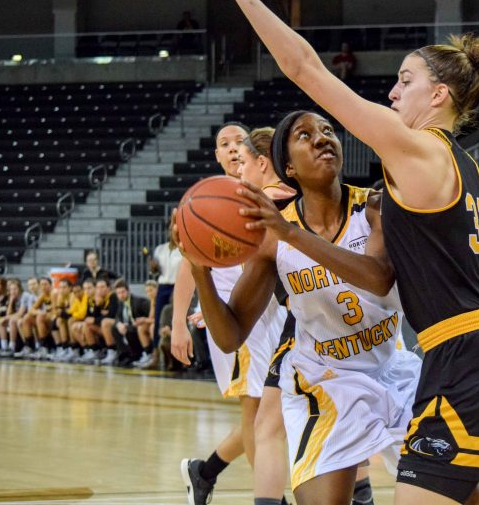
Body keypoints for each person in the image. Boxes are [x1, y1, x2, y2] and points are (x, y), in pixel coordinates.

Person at [214, 0, 479, 504]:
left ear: (438, 95)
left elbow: (304, 70)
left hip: (466, 352)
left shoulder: (415, 147)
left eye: (404, 80)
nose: (392, 94)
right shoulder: (460, 163)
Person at [176, 111, 421, 505]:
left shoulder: (375, 207)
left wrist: (291, 232)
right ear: (287, 166)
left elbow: (379, 279)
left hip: (392, 369)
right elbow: (229, 335)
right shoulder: (272, 239)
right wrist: (200, 272)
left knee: (472, 494)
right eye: (305, 135)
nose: (322, 138)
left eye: (327, 131)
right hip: (326, 381)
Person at [171, 122, 286, 505]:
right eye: (225, 144)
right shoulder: (207, 203)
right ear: (217, 156)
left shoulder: (263, 193)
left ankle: (203, 472)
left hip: (273, 313)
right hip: (237, 324)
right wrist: (179, 326)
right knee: (258, 411)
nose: (234, 148)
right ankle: (271, 498)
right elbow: (188, 267)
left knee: (273, 410)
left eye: (240, 141)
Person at [150, 236, 183, 364]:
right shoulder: (159, 249)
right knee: (158, 320)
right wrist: (153, 267)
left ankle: (176, 357)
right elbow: (154, 272)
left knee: (175, 318)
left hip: (178, 284)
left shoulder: (183, 248)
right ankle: (156, 354)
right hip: (163, 285)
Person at [111, 279, 153, 366]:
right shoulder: (121, 303)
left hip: (138, 328)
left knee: (129, 329)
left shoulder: (140, 302)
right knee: (115, 328)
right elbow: (117, 317)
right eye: (118, 293)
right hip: (130, 327)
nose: (121, 295)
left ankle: (141, 354)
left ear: (128, 291)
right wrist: (119, 324)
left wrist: (142, 320)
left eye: (123, 292)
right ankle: (124, 355)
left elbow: (150, 316)